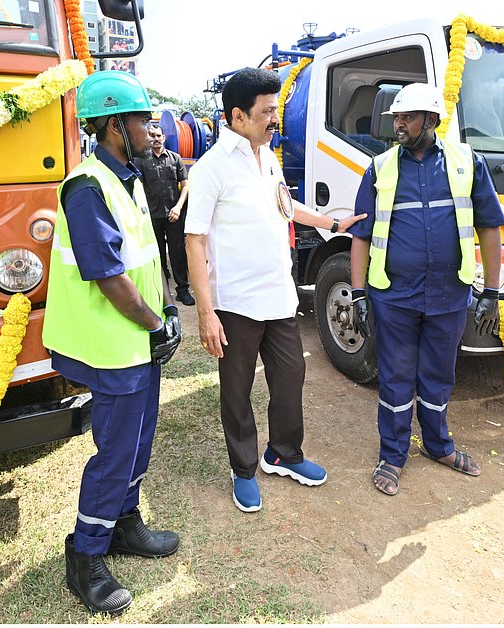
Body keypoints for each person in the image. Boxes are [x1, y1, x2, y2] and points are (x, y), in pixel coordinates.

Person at [184, 67, 364, 513]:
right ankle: (243, 469)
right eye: (266, 112)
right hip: (237, 303)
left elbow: (285, 205)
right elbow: (195, 239)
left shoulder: (268, 157)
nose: (274, 119)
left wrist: (332, 223)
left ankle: (282, 453)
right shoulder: (212, 169)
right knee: (238, 389)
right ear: (238, 115)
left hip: (279, 298)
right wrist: (206, 312)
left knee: (290, 379)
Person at [42, 70, 182, 616]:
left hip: (138, 339)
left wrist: (166, 313)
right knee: (116, 450)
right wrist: (153, 323)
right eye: (143, 118)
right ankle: (85, 554)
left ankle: (124, 525)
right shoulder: (86, 186)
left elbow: (144, 257)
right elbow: (106, 274)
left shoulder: (128, 177)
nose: (151, 127)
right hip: (112, 344)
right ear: (115, 125)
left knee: (139, 439)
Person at [346, 83, 504, 496]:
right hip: (393, 296)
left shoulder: (467, 162)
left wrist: (491, 290)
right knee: (397, 378)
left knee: (438, 376)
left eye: (407, 118)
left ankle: (438, 447)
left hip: (448, 295)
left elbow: (490, 226)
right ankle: (393, 456)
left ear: (431, 120)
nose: (398, 125)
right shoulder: (379, 168)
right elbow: (361, 235)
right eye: (396, 118)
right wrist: (359, 293)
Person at [135, 123, 195, 306]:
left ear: (164, 138)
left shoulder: (175, 159)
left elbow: (186, 186)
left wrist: (178, 207)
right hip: (152, 216)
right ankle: (161, 293)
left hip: (174, 215)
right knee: (157, 254)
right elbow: (137, 188)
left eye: (159, 135)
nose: (156, 138)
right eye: (152, 135)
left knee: (178, 254)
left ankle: (182, 290)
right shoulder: (141, 161)